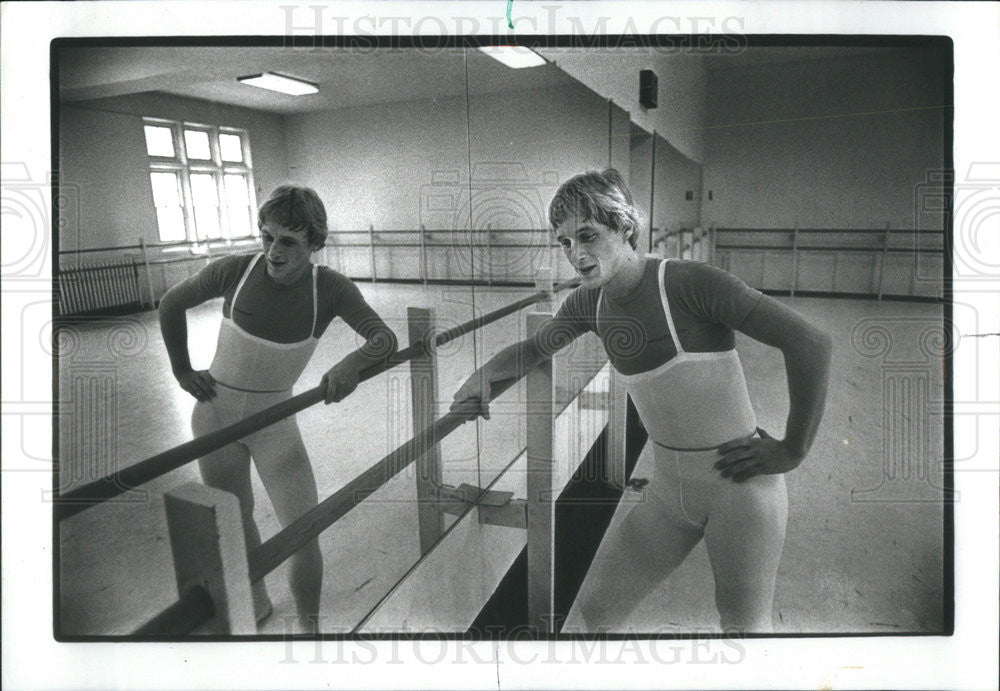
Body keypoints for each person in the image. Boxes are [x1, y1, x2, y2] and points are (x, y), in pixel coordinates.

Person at [451, 169, 831, 632]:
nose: (576, 254)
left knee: (744, 627)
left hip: (741, 490)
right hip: (669, 492)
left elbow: (811, 343)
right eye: (564, 242)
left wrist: (793, 449)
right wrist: (483, 375)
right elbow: (534, 349)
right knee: (599, 612)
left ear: (625, 228)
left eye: (587, 235)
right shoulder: (588, 304)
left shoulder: (689, 284)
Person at [159, 185, 397, 633]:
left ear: (314, 243)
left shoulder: (328, 288)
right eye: (267, 237)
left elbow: (384, 339)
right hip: (215, 416)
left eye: (288, 241)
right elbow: (171, 303)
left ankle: (310, 628)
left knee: (304, 529)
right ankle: (256, 600)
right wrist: (181, 371)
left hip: (275, 426)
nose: (273, 250)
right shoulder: (235, 270)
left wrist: (352, 364)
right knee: (236, 516)